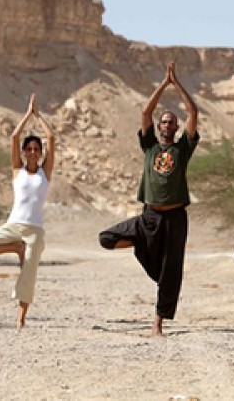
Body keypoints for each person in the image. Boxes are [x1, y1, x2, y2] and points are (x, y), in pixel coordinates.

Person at [99, 62, 199, 336]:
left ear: (176, 128)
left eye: (171, 122)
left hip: (175, 217)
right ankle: (140, 243)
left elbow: (193, 112)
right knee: (106, 238)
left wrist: (177, 84)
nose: (167, 125)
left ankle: (157, 323)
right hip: (149, 216)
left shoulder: (183, 149)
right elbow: (145, 111)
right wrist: (163, 85)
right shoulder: (150, 145)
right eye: (164, 122)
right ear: (159, 126)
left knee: (171, 270)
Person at [0, 93, 55, 329]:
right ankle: (14, 248)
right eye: (29, 148)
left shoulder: (44, 173)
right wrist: (28, 115)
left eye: (36, 149)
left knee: (29, 274)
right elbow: (14, 136)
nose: (32, 151)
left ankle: (21, 318)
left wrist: (40, 117)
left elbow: (51, 137)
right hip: (13, 226)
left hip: (35, 231)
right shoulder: (17, 170)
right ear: (24, 151)